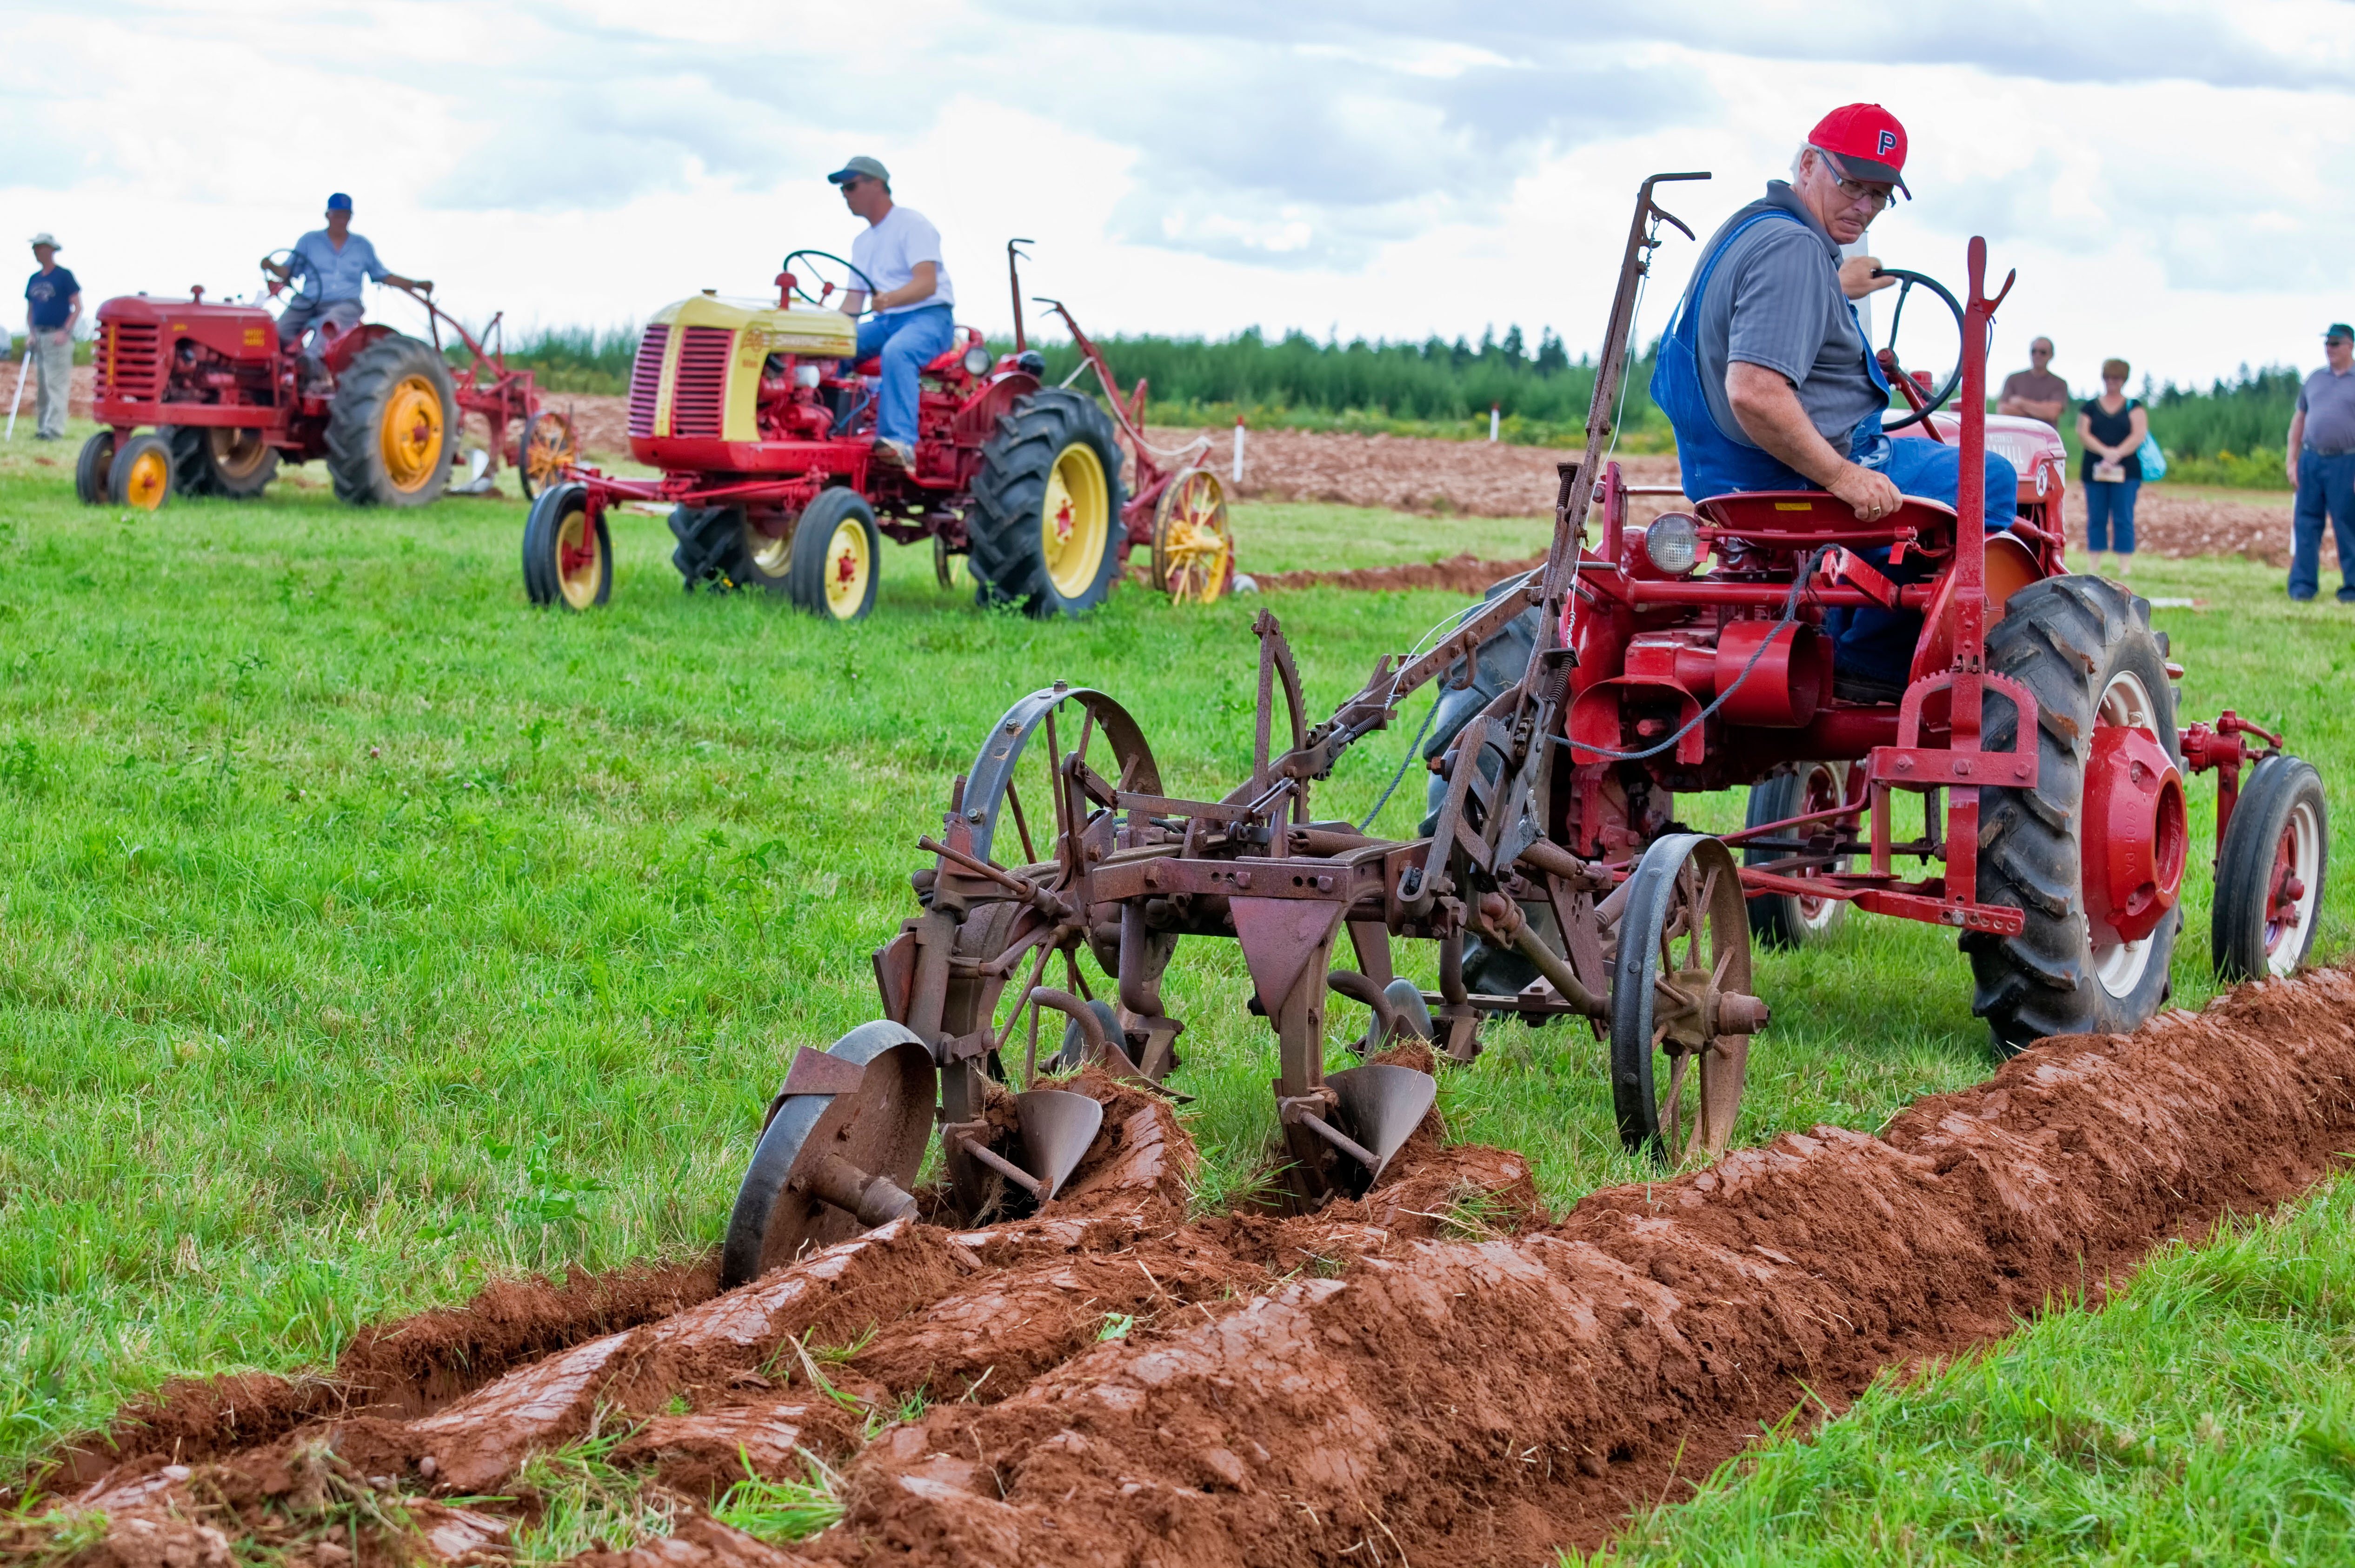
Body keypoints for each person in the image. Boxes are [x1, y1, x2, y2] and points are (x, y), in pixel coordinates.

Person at [1651, 103, 2019, 702]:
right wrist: (1843, 475)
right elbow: (1755, 392)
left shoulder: (1752, 230)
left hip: (1725, 481)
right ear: (1807, 164)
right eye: (1852, 185)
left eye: (1879, 196)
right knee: (1990, 480)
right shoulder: (1795, 254)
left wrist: (1834, 286)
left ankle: (1849, 613)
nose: (1864, 207)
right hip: (1793, 480)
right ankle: (1871, 658)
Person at [829, 155, 955, 469]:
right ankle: (829, 429)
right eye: (843, 189)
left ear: (878, 185)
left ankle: (900, 443)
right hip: (885, 321)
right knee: (832, 350)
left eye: (851, 186)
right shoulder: (862, 242)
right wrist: (823, 332)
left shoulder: (912, 225)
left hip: (929, 317)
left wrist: (893, 299)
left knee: (897, 352)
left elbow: (927, 283)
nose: (845, 194)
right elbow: (852, 306)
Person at [259, 194, 430, 382]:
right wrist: (272, 266)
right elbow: (288, 272)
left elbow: (383, 275)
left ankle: (310, 365)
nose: (341, 220)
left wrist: (417, 284)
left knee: (330, 323)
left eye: (345, 215)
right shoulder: (309, 241)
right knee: (279, 330)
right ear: (328, 215)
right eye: (337, 215)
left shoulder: (362, 246)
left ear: (350, 217)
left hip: (346, 303)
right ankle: (284, 366)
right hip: (309, 301)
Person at [2286, 323, 2355, 604]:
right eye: (2327, 343)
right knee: (2306, 524)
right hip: (2312, 460)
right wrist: (2292, 460)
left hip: (2347, 462)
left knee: (2348, 525)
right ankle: (2302, 587)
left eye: (2336, 343)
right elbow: (2299, 420)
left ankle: (2352, 589)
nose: (2330, 348)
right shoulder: (2314, 380)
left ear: (2350, 345)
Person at [2074, 359, 2148, 580]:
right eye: (2108, 378)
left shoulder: (2133, 406)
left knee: (2123, 516)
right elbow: (2083, 433)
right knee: (2096, 516)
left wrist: (2117, 454)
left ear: (2124, 380)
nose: (2111, 383)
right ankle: (2094, 562)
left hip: (2127, 471)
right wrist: (2105, 451)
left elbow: (2139, 434)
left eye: (2116, 378)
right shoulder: (2090, 406)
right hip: (2095, 470)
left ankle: (2124, 565)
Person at [23, 233, 80, 441]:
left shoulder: (64, 276)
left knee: (56, 384)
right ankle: (42, 428)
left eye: (39, 247)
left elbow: (78, 307)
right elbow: (31, 310)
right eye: (35, 248)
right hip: (39, 336)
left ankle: (54, 430)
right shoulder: (34, 279)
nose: (36, 251)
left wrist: (65, 331)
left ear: (50, 250)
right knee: (43, 386)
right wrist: (31, 333)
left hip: (58, 337)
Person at [1997, 338, 2069, 427]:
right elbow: (2003, 410)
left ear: (2051, 355)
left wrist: (2021, 403)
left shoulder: (2059, 383)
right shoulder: (2013, 379)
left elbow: (2052, 413)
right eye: (2034, 351)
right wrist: (2041, 412)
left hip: (2044, 438)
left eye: (2043, 352)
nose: (2037, 355)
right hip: (2016, 435)